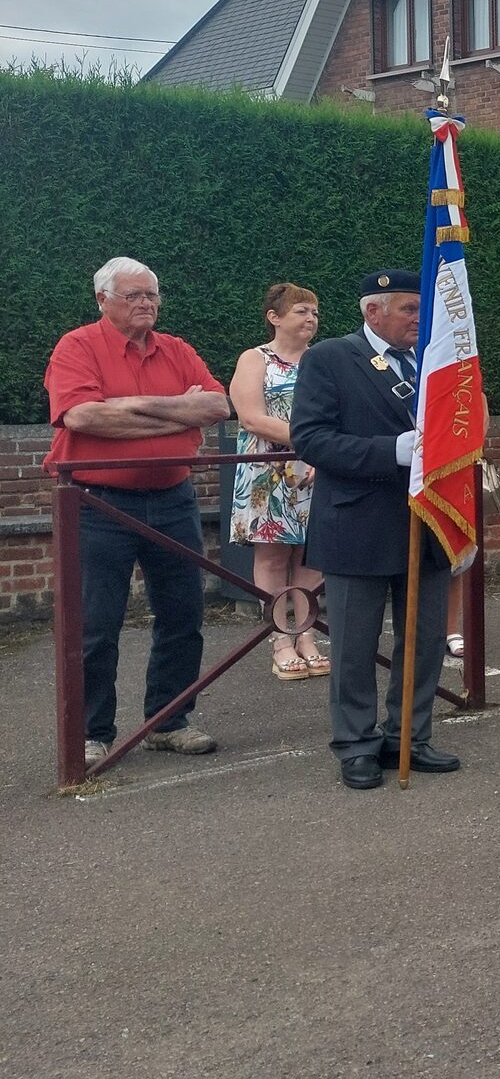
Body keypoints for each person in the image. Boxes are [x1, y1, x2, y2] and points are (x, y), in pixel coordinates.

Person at [45, 256, 230, 764]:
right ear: (103, 300)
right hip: (96, 502)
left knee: (183, 613)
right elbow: (82, 416)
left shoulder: (178, 348)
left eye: (152, 294)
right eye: (133, 295)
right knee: (95, 623)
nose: (147, 303)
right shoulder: (77, 346)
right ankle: (91, 732)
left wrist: (126, 405)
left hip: (173, 498)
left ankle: (169, 722)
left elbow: (217, 406)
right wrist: (176, 414)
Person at [290, 269, 461, 789]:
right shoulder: (331, 359)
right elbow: (312, 439)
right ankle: (356, 744)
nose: (419, 318)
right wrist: (391, 451)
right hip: (358, 523)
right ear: (373, 311)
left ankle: (409, 736)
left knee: (424, 640)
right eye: (409, 309)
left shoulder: (437, 362)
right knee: (354, 645)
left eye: (421, 308)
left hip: (426, 522)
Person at [228, 282, 325, 680]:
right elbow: (251, 416)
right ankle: (280, 638)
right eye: (301, 310)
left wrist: (327, 450)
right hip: (269, 470)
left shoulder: (324, 359)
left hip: (318, 468)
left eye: (315, 312)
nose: (311, 319)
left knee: (311, 555)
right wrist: (316, 441)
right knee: (272, 555)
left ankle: (307, 635)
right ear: (274, 317)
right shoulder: (255, 359)